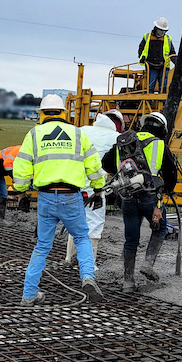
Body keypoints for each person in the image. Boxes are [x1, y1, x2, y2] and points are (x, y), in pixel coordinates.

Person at [12, 94, 105, 305]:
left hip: (46, 197)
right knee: (82, 238)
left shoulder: (34, 134)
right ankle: (88, 277)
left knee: (43, 246)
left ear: (42, 113)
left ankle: (28, 294)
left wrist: (21, 192)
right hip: (71, 196)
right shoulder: (77, 133)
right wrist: (98, 190)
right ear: (63, 112)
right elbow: (94, 166)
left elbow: (22, 167)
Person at [101, 111, 179, 290]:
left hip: (127, 197)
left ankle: (128, 281)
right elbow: (171, 173)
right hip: (151, 198)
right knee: (159, 230)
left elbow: (106, 163)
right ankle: (148, 264)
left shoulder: (125, 141)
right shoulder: (160, 145)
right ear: (162, 129)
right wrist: (167, 190)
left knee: (131, 239)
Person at [66, 109, 126, 267]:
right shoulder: (116, 138)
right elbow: (119, 167)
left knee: (76, 220)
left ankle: (69, 258)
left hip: (72, 183)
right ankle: (88, 265)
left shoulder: (82, 130)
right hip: (95, 187)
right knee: (94, 224)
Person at [138, 17, 176, 93]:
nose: (162, 32)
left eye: (164, 31)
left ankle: (163, 104)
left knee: (164, 87)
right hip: (151, 66)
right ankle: (149, 104)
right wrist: (142, 58)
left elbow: (172, 52)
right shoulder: (147, 36)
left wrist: (177, 62)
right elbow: (141, 49)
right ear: (156, 28)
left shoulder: (168, 39)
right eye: (161, 30)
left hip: (163, 66)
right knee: (150, 87)